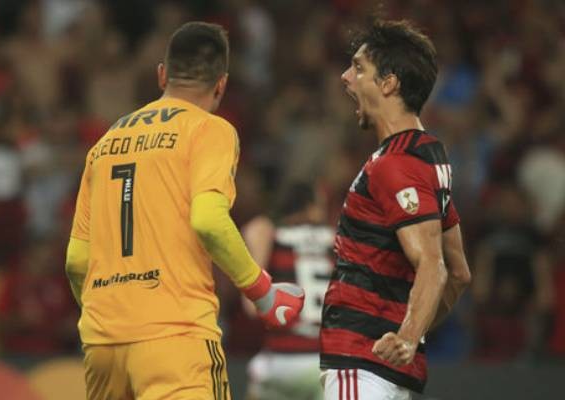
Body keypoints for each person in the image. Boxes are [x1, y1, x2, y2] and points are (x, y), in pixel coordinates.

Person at [64, 21, 305, 400]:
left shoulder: (105, 142)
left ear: (162, 75)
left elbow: (77, 259)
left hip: (102, 345)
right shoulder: (209, 130)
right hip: (175, 339)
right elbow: (208, 220)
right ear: (221, 84)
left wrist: (109, 316)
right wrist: (263, 293)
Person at [319, 18, 472, 399]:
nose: (344, 78)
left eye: (358, 68)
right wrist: (409, 333)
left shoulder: (395, 164)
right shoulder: (427, 158)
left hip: (361, 362)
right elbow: (459, 272)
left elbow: (434, 266)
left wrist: (406, 336)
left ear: (389, 84)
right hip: (388, 372)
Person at [242, 183, 335, 400]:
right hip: (326, 362)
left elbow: (250, 308)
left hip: (282, 360)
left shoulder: (272, 235)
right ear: (310, 207)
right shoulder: (336, 239)